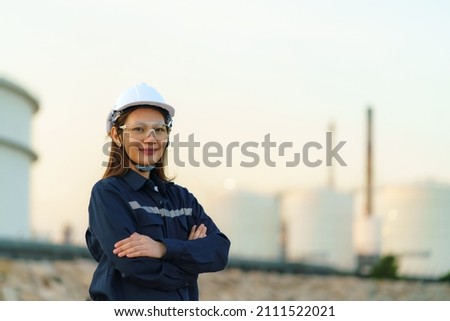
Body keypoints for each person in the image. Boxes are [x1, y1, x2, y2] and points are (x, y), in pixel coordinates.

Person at [85, 82, 231, 301]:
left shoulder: (182, 199)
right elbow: (133, 265)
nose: (150, 138)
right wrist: (189, 267)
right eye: (139, 129)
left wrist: (163, 249)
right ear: (116, 135)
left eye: (159, 130)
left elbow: (219, 251)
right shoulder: (108, 194)